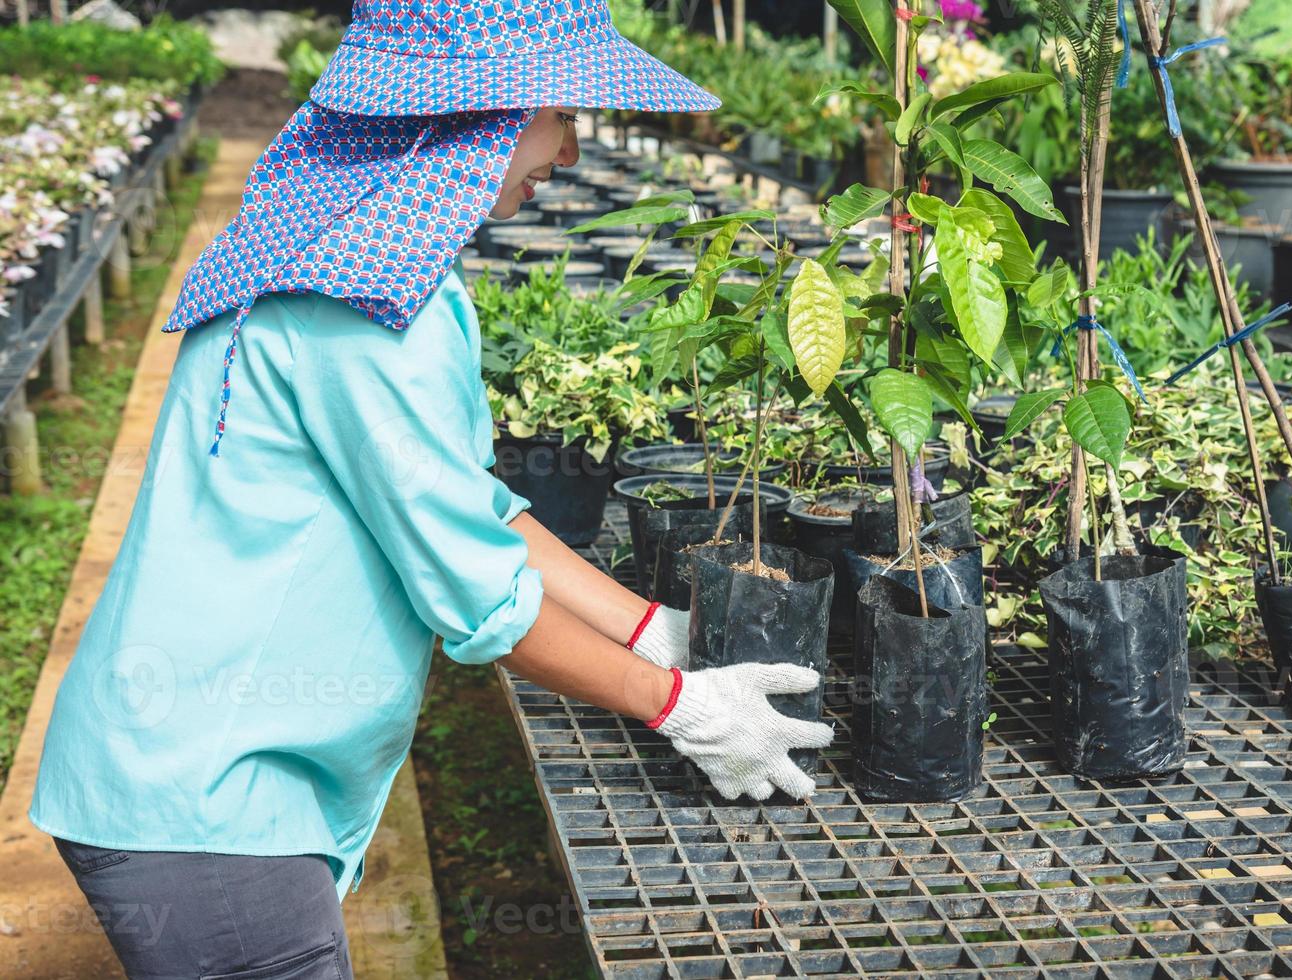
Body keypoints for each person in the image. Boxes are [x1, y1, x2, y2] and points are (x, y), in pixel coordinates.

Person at [26, 1, 833, 976]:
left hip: (190, 763)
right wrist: (684, 706)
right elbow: (478, 600)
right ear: (476, 116)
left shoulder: (336, 248)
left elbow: (466, 505)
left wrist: (645, 626)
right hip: (210, 806)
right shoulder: (360, 315)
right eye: (559, 115)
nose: (570, 152)